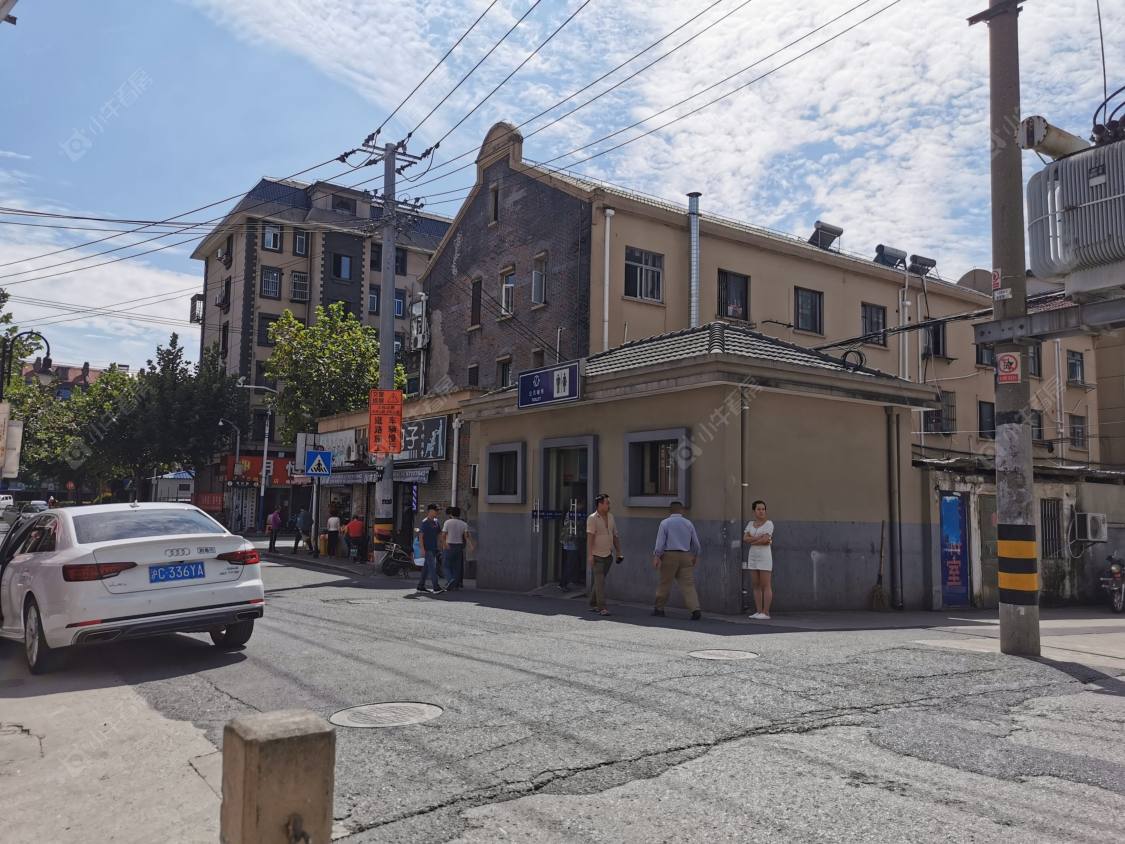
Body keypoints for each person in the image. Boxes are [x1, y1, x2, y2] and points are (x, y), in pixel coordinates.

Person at [651, 501, 702, 620]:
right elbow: (696, 543)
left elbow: (660, 543)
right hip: (685, 555)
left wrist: (657, 556)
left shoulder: (665, 523)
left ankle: (659, 608)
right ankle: (695, 609)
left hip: (669, 555)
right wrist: (695, 555)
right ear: (681, 510)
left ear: (670, 510)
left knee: (665, 583)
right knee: (688, 585)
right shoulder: (688, 523)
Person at [586, 493, 621, 616]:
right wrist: (590, 555)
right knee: (600, 582)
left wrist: (619, 552)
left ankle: (593, 602)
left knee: (599, 581)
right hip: (597, 555)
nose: (609, 505)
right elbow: (590, 537)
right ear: (600, 504)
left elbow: (615, 535)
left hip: (608, 555)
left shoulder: (611, 517)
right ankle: (602, 607)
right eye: (607, 503)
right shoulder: (592, 518)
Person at [744, 499, 775, 619]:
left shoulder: (769, 524)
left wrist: (753, 540)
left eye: (763, 509)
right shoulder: (750, 524)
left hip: (764, 556)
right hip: (752, 556)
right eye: (758, 509)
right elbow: (745, 538)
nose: (761, 511)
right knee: (755, 584)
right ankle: (758, 611)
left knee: (765, 584)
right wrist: (759, 538)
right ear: (754, 511)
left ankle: (766, 612)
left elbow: (766, 540)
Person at [440, 506, 474, 590]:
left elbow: (443, 535)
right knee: (457, 567)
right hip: (459, 546)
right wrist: (471, 546)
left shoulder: (447, 522)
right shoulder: (464, 524)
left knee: (445, 565)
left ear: (451, 514)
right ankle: (455, 585)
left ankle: (450, 580)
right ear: (459, 514)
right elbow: (466, 537)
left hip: (449, 545)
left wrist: (444, 544)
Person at [416, 504, 444, 593]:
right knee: (432, 568)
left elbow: (439, 534)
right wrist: (422, 549)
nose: (437, 512)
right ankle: (436, 587)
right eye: (436, 510)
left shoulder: (436, 522)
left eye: (438, 510)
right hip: (427, 549)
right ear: (430, 511)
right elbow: (421, 536)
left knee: (426, 568)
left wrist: (443, 543)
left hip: (434, 548)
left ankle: (420, 586)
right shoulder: (425, 522)